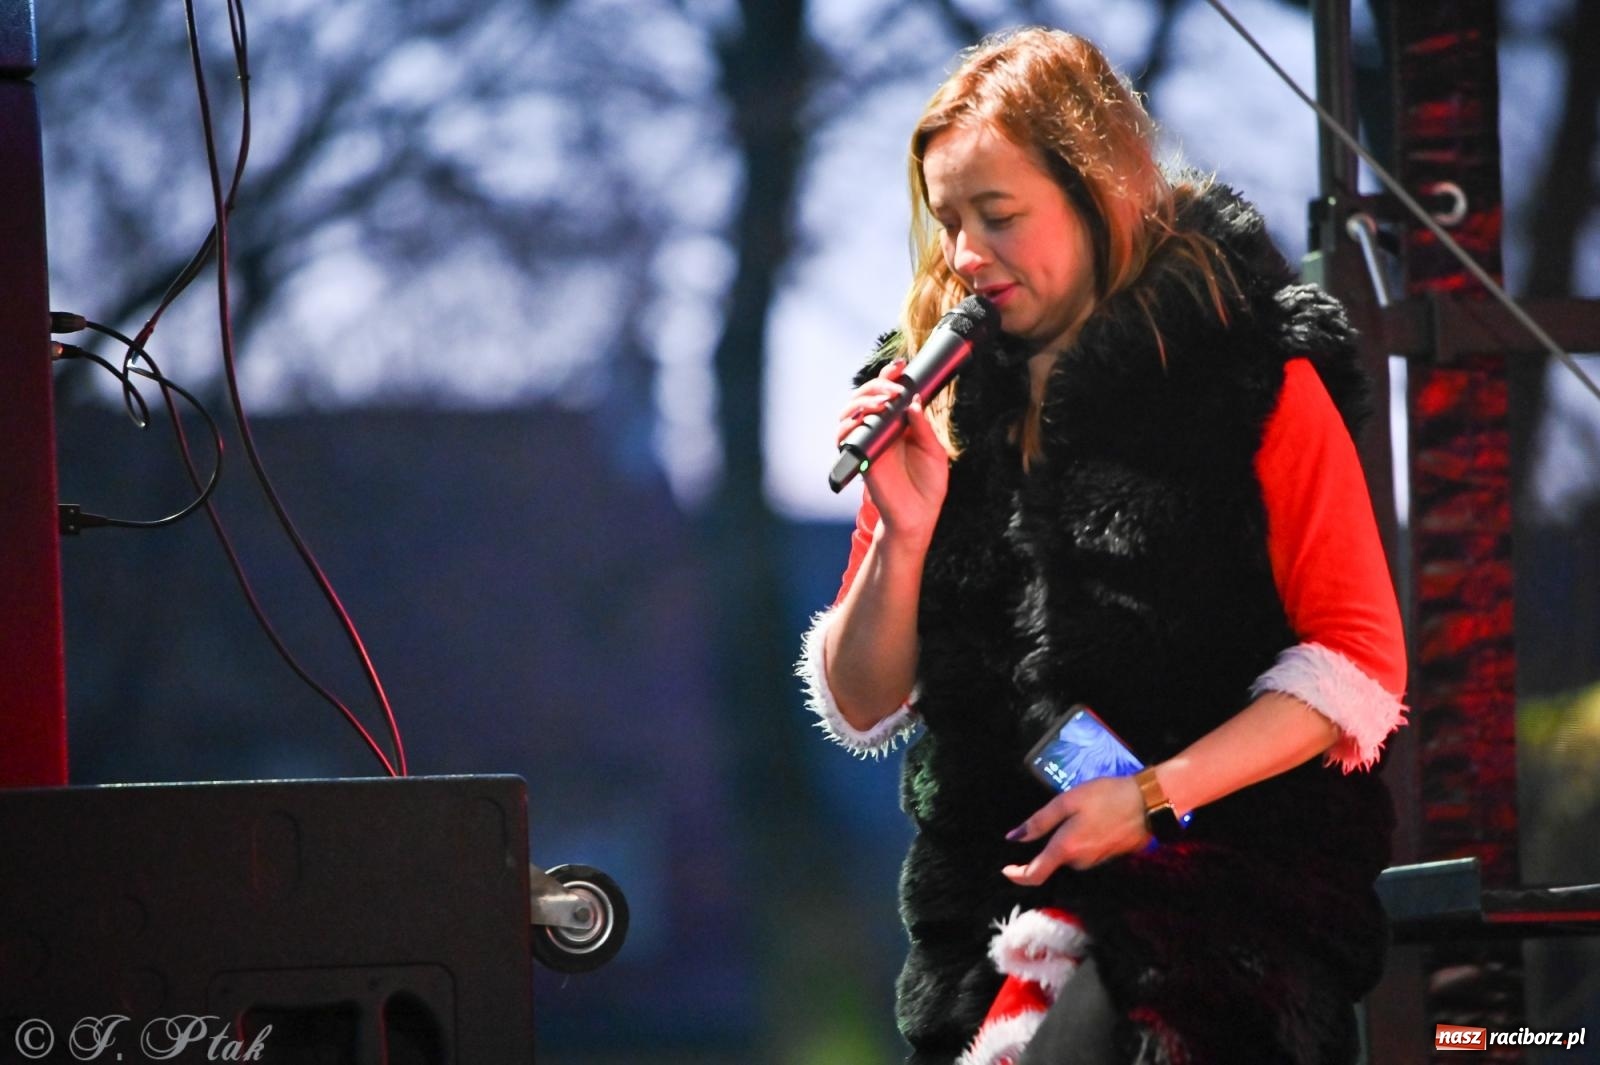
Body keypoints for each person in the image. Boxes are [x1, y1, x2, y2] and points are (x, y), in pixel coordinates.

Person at [796, 26, 1408, 1065]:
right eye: (948, 222)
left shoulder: (1251, 368)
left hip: (1219, 911)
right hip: (992, 925)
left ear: (1098, 195)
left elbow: (1356, 665)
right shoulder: (933, 401)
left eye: (998, 216)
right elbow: (863, 702)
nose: (965, 256)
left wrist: (1151, 796)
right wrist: (901, 541)